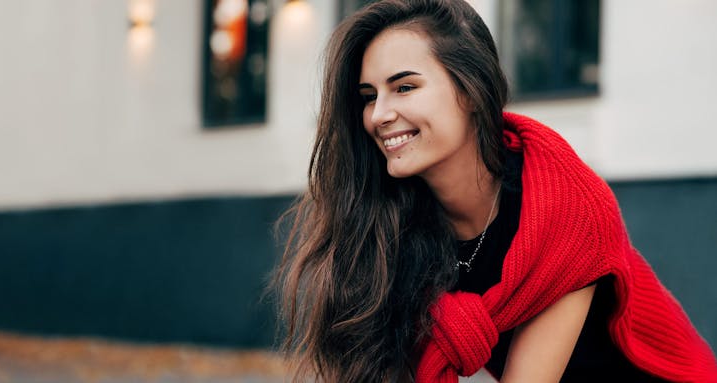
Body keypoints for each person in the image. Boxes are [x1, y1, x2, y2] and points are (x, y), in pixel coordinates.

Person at [272, 0, 717, 382]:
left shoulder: (568, 210)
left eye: (404, 87)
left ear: (471, 90)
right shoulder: (394, 218)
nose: (379, 115)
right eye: (370, 96)